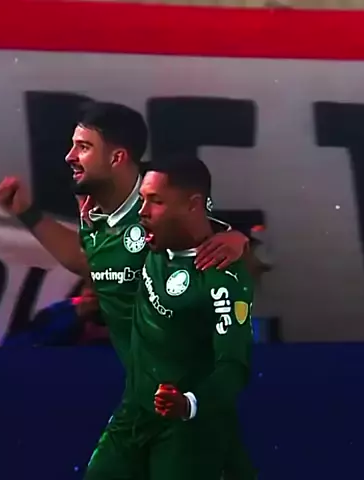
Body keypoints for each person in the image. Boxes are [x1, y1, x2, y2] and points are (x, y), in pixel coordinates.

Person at [0, 101, 262, 478]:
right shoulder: (96, 213)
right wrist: (27, 212)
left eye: (83, 147)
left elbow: (213, 249)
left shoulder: (163, 211)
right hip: (141, 397)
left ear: (118, 157)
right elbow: (88, 262)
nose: (70, 156)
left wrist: (238, 240)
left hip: (184, 397)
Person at [85, 156, 255, 480]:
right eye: (142, 199)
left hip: (185, 429)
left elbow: (234, 366)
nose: (142, 211)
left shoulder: (222, 278)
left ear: (193, 205)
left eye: (156, 201)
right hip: (133, 413)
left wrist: (189, 404)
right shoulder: (150, 239)